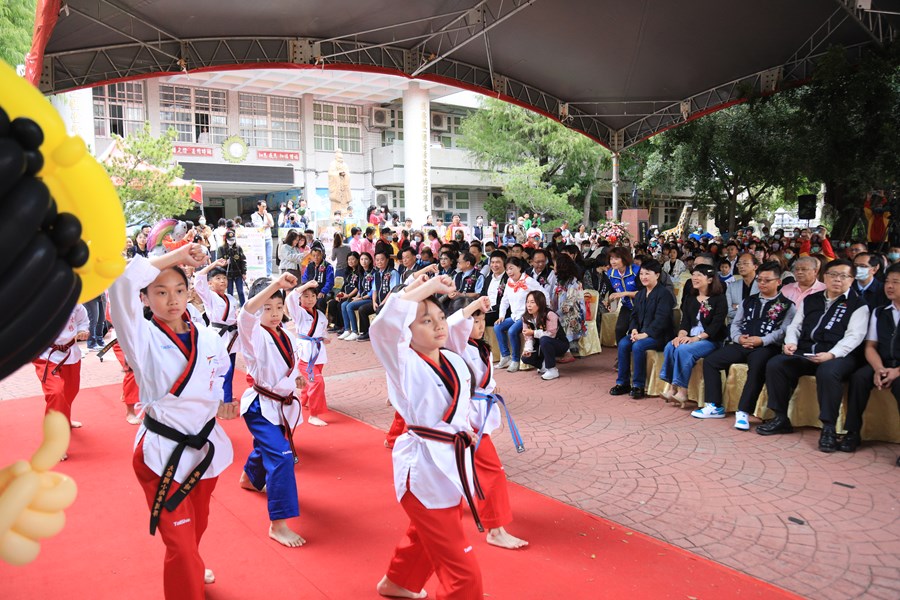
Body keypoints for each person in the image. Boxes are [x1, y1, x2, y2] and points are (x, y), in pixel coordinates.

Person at [109, 243, 238, 599]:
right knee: (179, 542)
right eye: (160, 292)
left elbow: (217, 379)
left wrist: (224, 405)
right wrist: (176, 256)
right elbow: (120, 284)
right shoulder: (141, 337)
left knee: (197, 526)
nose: (172, 300)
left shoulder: (208, 337)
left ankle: (191, 562)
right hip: (161, 452)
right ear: (146, 299)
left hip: (203, 446)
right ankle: (187, 566)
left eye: (179, 290)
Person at [370, 274, 484, 599]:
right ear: (405, 331)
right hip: (422, 470)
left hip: (450, 460)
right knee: (465, 574)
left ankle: (399, 581)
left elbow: (457, 410)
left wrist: (464, 429)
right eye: (425, 320)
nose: (438, 325)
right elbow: (383, 328)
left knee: (425, 535)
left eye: (439, 317)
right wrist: (422, 289)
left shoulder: (451, 359)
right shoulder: (402, 362)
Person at [757, 259, 869, 453]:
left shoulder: (858, 305)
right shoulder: (812, 299)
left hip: (841, 356)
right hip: (807, 351)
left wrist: (832, 354)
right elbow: (796, 326)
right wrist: (790, 343)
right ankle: (781, 417)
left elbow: (854, 337)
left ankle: (828, 428)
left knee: (827, 372)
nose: (837, 280)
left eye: (844, 276)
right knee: (777, 364)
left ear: (852, 279)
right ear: (824, 276)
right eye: (833, 275)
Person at [445, 295, 528, 548]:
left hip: (476, 413)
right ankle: (495, 529)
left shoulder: (477, 346)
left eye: (482, 321)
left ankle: (455, 508)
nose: (480, 326)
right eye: (474, 321)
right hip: (467, 418)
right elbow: (452, 323)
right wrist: (472, 306)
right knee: (492, 472)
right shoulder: (454, 343)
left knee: (462, 466)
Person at [236, 274, 307, 547]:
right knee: (282, 456)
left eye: (278, 307)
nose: (275, 314)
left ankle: (249, 477)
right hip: (259, 406)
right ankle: (278, 525)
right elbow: (246, 314)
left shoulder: (285, 335)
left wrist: (296, 377)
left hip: (281, 404)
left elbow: (290, 366)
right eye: (268, 308)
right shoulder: (253, 335)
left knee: (267, 447)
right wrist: (275, 285)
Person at [700, 262, 796, 429]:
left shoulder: (788, 305)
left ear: (778, 282)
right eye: (760, 280)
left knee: (757, 366)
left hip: (766, 347)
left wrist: (763, 340)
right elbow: (736, 323)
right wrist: (738, 338)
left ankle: (743, 412)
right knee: (711, 361)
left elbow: (784, 330)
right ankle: (714, 405)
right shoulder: (749, 301)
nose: (762, 283)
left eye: (767, 280)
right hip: (742, 343)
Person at [843, 262, 900, 457]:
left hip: (899, 368)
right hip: (882, 363)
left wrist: (897, 371)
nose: (890, 286)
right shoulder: (880, 311)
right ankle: (852, 432)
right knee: (859, 378)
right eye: (888, 282)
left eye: (896, 282)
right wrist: (878, 369)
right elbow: (870, 346)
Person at [657, 265, 727, 406]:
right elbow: (685, 322)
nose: (694, 278)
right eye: (693, 274)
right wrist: (680, 335)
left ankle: (683, 391)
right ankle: (672, 388)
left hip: (710, 339)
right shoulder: (690, 298)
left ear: (710, 279)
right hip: (691, 337)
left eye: (699, 275)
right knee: (671, 346)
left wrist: (696, 338)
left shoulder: (719, 299)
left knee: (683, 350)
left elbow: (716, 326)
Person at [610, 259, 675, 399]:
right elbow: (634, 315)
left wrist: (645, 334)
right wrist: (633, 330)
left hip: (659, 336)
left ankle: (638, 385)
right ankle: (623, 382)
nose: (643, 277)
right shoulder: (640, 294)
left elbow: (662, 320)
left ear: (657, 275)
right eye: (642, 274)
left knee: (638, 346)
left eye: (648, 274)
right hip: (640, 333)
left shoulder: (664, 295)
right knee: (623, 343)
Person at [33, 305, 90, 435]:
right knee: (56, 392)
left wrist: (82, 330)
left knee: (70, 390)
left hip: (70, 352)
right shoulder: (37, 303)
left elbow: (83, 321)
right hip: (46, 354)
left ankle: (65, 420)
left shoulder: (76, 304)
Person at [194, 260, 241, 403]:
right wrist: (213, 265)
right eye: (218, 278)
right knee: (222, 368)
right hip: (217, 335)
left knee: (230, 368)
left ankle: (226, 394)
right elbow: (198, 279)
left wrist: (238, 315)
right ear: (210, 283)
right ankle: (223, 400)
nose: (222, 281)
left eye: (224, 278)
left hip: (231, 336)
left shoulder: (231, 298)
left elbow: (233, 317)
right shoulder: (209, 297)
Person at [287, 280, 331, 427]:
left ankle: (304, 400)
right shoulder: (298, 312)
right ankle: (314, 415)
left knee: (311, 381)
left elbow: (323, 329)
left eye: (312, 296)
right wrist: (305, 286)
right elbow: (290, 298)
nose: (310, 299)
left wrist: (324, 338)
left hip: (318, 351)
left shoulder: (320, 314)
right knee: (317, 382)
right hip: (305, 353)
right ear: (300, 299)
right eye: (305, 296)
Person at [494, 256, 547, 373]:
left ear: (519, 268)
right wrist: (501, 316)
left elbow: (544, 294)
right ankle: (505, 356)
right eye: (507, 269)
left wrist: (543, 312)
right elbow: (504, 300)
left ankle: (515, 360)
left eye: (511, 268)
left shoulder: (529, 281)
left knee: (512, 331)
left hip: (525, 317)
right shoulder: (509, 282)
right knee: (498, 326)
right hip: (514, 316)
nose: (509, 272)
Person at [521, 291, 570, 380]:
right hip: (541, 346)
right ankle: (543, 366)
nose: (529, 305)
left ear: (540, 303)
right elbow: (528, 338)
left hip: (559, 343)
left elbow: (551, 334)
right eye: (527, 302)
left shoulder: (550, 315)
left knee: (544, 339)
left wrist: (533, 332)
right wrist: (528, 350)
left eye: (532, 302)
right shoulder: (526, 317)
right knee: (525, 358)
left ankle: (552, 369)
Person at [356, 250, 399, 342]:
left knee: (380, 310)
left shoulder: (393, 273)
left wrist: (382, 303)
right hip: (378, 302)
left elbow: (393, 290)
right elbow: (374, 289)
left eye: (382, 259)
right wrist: (374, 302)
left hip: (390, 302)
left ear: (387, 260)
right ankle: (365, 333)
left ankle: (383, 336)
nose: (379, 262)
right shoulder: (376, 274)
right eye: (377, 260)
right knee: (362, 309)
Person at [607, 247, 641, 343]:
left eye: (616, 258)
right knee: (619, 329)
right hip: (627, 307)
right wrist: (612, 304)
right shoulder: (610, 274)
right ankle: (622, 355)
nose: (613, 261)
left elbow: (643, 293)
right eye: (611, 258)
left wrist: (624, 293)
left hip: (641, 307)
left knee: (636, 330)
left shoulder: (636, 271)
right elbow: (613, 293)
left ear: (624, 258)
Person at [340, 252, 375, 341]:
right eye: (362, 259)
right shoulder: (362, 273)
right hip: (361, 297)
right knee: (344, 304)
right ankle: (347, 329)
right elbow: (360, 288)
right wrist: (357, 297)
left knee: (350, 306)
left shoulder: (374, 272)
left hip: (369, 299)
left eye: (366, 259)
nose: (363, 261)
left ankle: (355, 331)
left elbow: (373, 291)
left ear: (370, 261)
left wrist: (360, 298)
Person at [330, 251, 361, 335]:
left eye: (353, 259)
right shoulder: (348, 272)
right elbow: (344, 285)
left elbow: (358, 287)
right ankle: (337, 325)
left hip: (353, 296)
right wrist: (339, 294)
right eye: (349, 259)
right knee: (333, 303)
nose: (350, 261)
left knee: (341, 304)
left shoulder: (360, 272)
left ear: (358, 260)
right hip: (345, 294)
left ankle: (344, 326)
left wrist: (348, 295)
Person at [301, 246, 335, 314]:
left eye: (318, 255)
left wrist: (323, 291)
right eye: (314, 255)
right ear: (311, 256)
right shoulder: (309, 266)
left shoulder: (328, 266)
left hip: (323, 292)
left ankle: (320, 322)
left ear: (322, 255)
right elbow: (304, 279)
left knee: (320, 302)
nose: (316, 257)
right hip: (311, 292)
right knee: (302, 301)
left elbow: (330, 282)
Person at [726, 254, 760, 321]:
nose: (741, 266)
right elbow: (729, 311)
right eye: (739, 264)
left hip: (755, 324)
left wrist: (738, 306)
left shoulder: (761, 285)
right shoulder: (732, 286)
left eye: (745, 263)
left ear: (755, 267)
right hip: (735, 325)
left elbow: (761, 310)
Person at [217, 230, 247, 304]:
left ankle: (243, 306)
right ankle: (230, 306)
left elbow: (243, 261)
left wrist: (244, 272)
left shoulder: (238, 248)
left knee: (240, 291)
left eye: (233, 239)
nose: (231, 241)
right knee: (229, 292)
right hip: (227, 274)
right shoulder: (221, 248)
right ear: (226, 240)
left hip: (238, 273)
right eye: (230, 240)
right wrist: (225, 262)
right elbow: (218, 261)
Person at [483, 250, 509, 327]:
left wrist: (491, 308)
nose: (494, 265)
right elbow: (483, 293)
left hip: (500, 312)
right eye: (492, 262)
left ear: (504, 263)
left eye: (497, 262)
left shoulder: (508, 279)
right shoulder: (488, 278)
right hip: (487, 310)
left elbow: (506, 301)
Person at [252, 200, 275, 277]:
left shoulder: (268, 215)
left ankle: (269, 274)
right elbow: (257, 226)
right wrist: (265, 226)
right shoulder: (254, 215)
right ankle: (260, 273)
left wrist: (266, 215)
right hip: (259, 239)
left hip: (268, 237)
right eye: (263, 206)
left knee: (269, 257)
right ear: (258, 206)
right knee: (260, 257)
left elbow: (271, 224)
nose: (264, 208)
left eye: (265, 206)